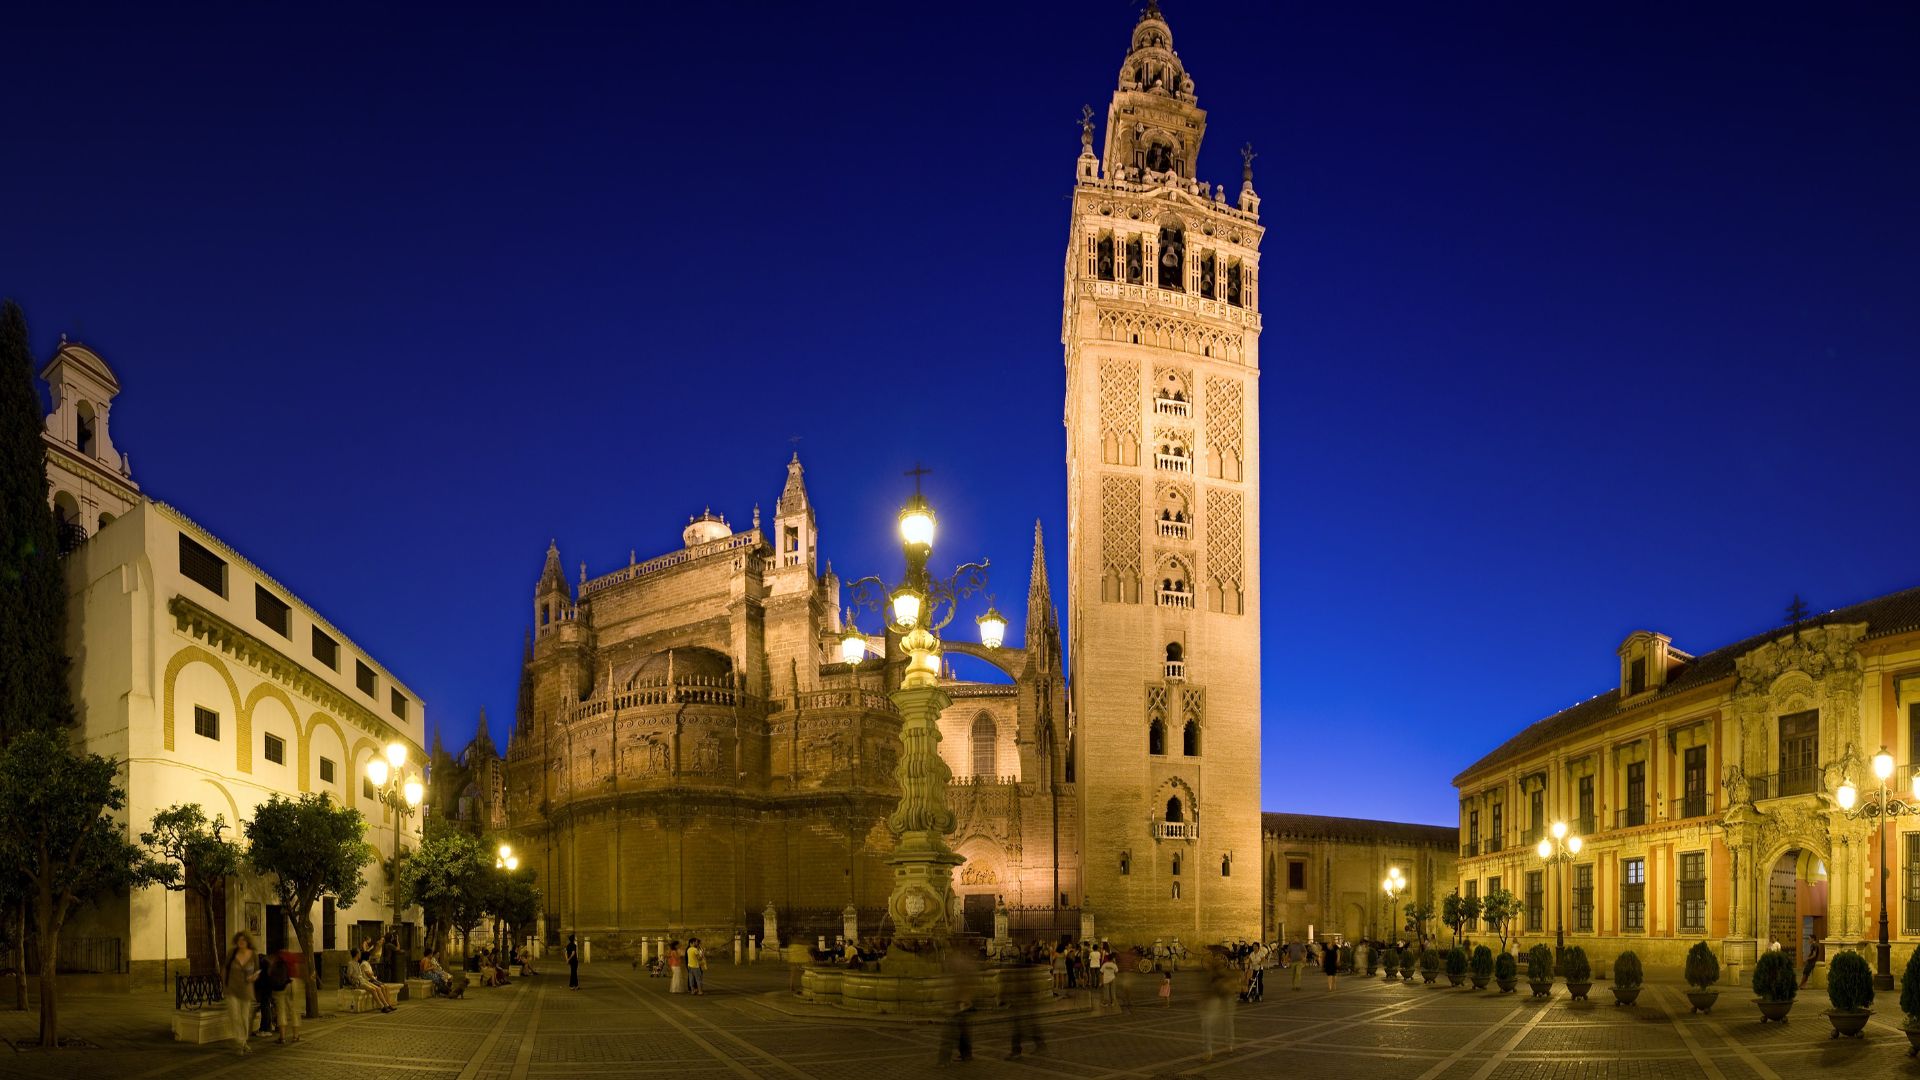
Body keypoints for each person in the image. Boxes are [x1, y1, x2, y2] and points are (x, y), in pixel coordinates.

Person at [936, 949, 977, 1066]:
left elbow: (959, 985)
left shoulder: (959, 966)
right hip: (961, 1004)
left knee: (948, 1033)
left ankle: (943, 1060)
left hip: (958, 1004)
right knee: (963, 1031)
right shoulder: (963, 965)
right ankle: (966, 1054)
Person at [222, 932, 259, 1055]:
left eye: (244, 940)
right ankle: (240, 1042)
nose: (241, 942)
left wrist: (254, 977)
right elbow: (225, 969)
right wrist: (224, 986)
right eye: (239, 940)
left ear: (248, 941)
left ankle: (243, 1042)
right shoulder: (232, 953)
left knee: (244, 1017)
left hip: (246, 989)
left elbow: (257, 970)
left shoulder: (253, 955)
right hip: (232, 989)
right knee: (235, 1016)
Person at [267, 953, 298, 1044]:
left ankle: (282, 1037)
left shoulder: (274, 960)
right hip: (291, 984)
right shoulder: (289, 956)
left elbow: (270, 975)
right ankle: (296, 1036)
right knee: (293, 1011)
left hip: (279, 988)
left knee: (281, 1012)